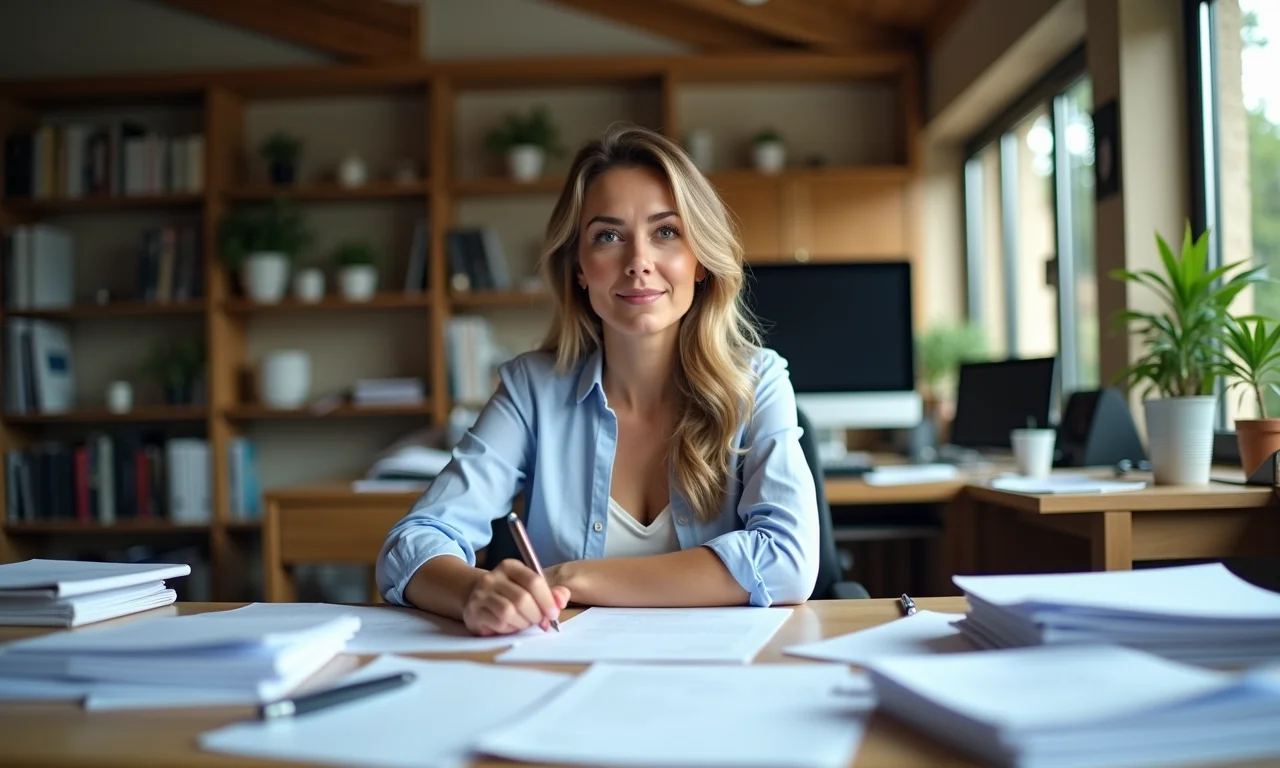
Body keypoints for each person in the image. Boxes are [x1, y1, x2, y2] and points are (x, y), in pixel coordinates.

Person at [376, 123, 818, 636]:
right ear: (580, 268)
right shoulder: (531, 390)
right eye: (608, 236)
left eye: (666, 232)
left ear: (700, 261)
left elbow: (788, 560)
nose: (638, 263)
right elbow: (411, 543)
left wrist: (573, 578)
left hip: (720, 681)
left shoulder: (757, 380)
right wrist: (476, 591)